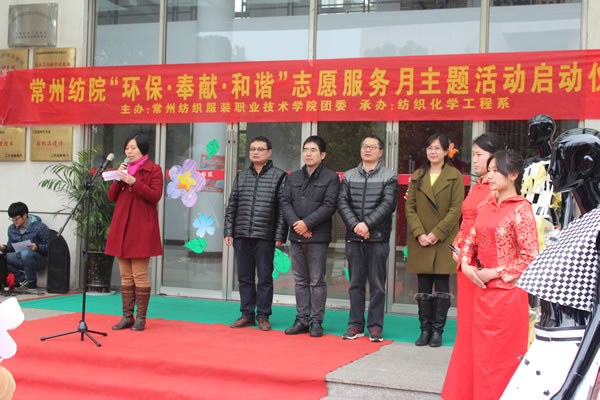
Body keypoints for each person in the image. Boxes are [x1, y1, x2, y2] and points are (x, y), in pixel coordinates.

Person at [505, 128, 600, 399]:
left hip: (570, 348)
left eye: (558, 160)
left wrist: (570, 385)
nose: (550, 170)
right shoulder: (582, 222)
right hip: (550, 344)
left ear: (585, 165)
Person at [445, 150, 539, 400]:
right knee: (482, 358)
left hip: (507, 296)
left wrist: (494, 273)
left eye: (497, 170)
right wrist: (466, 264)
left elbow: (530, 256)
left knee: (502, 360)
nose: (491, 175)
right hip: (482, 292)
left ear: (514, 174)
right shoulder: (485, 206)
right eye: (490, 170)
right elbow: (470, 240)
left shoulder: (521, 209)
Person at [441, 132, 505, 399]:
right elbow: (466, 222)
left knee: (483, 331)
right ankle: (464, 388)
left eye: (480, 154)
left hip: (483, 266)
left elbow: (494, 228)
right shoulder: (478, 185)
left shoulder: (499, 188)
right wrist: (458, 247)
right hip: (465, 262)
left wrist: (471, 256)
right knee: (466, 328)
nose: (474, 159)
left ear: (494, 157)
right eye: (474, 154)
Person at [337, 135, 398, 342]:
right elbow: (342, 202)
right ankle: (355, 325)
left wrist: (367, 224)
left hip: (378, 238)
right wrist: (356, 225)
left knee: (377, 285)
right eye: (365, 146)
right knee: (355, 283)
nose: (368, 150)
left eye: (372, 147)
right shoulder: (349, 175)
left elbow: (388, 204)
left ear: (381, 152)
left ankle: (375, 327)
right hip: (354, 237)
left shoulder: (389, 176)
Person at [405, 134, 464, 347]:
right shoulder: (418, 175)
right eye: (429, 147)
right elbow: (409, 207)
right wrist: (420, 233)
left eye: (437, 148)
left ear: (446, 151)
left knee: (441, 286)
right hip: (420, 238)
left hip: (443, 238)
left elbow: (456, 209)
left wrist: (436, 233)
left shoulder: (454, 176)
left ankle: (438, 330)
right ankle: (424, 329)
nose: (433, 151)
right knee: (422, 286)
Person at [224, 136, 288, 331]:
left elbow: (282, 209)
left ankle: (263, 315)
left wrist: (279, 235)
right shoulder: (241, 176)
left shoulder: (279, 176)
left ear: (269, 152)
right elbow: (232, 204)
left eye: (260, 149)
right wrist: (229, 230)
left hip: (265, 235)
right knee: (244, 277)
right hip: (241, 233)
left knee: (265, 278)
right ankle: (247, 314)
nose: (255, 152)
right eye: (252, 149)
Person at [280, 136, 340, 338]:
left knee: (316, 280)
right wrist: (297, 225)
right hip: (297, 235)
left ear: (322, 155)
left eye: (313, 150)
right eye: (306, 150)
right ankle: (301, 319)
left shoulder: (331, 178)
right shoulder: (293, 177)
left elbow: (329, 205)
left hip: (317, 236)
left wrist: (307, 223)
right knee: (300, 280)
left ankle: (316, 321)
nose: (308, 153)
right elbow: (285, 202)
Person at [105, 133, 164, 332]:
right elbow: (111, 196)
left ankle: (141, 317)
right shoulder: (123, 169)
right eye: (127, 148)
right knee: (125, 275)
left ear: (142, 149)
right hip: (122, 226)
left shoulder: (154, 169)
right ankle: (127, 316)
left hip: (141, 227)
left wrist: (134, 182)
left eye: (133, 148)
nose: (129, 152)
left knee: (139, 274)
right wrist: (118, 178)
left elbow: (155, 195)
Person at [0, 202, 49, 290]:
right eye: (12, 219)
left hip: (39, 260)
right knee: (2, 258)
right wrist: (4, 248)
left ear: (25, 215)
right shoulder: (11, 229)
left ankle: (32, 282)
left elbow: (50, 248)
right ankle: (20, 278)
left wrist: (37, 247)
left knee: (25, 253)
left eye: (16, 219)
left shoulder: (40, 227)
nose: (14, 221)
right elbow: (10, 248)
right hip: (20, 257)